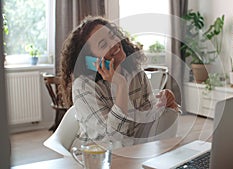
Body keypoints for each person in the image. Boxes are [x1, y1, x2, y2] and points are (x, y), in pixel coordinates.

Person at [58, 16, 179, 148]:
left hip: (134, 152)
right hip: (99, 158)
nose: (114, 43)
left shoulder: (136, 73)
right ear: (91, 60)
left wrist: (165, 104)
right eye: (103, 44)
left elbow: (146, 117)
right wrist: (121, 85)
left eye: (112, 36)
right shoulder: (83, 87)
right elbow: (112, 137)